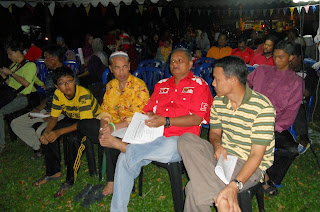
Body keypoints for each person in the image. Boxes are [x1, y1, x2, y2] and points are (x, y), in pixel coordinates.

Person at [100, 48, 213, 211]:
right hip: (153, 135)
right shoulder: (161, 85)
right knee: (123, 160)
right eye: (172, 61)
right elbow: (147, 110)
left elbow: (197, 118)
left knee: (162, 147)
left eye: (180, 60)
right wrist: (149, 118)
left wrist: (166, 121)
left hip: (182, 138)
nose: (175, 64)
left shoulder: (199, 85)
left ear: (190, 64)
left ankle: (127, 148)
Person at [178, 56, 275, 211]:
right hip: (224, 156)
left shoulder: (262, 107)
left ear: (233, 80)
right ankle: (220, 199)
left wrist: (234, 186)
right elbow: (215, 133)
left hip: (249, 163)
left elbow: (256, 155)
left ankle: (220, 199)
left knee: (193, 189)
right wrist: (217, 145)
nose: (213, 83)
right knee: (186, 139)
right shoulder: (218, 101)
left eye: (216, 79)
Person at [77, 51, 149, 196]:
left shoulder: (139, 86)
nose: (121, 72)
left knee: (112, 138)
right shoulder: (111, 86)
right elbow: (106, 111)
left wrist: (113, 127)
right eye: (117, 68)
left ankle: (112, 181)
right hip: (113, 126)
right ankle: (106, 139)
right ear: (111, 69)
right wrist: (104, 126)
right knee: (84, 124)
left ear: (129, 66)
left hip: (133, 126)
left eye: (124, 67)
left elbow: (139, 116)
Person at [33, 66, 101, 198]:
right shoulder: (58, 95)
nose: (67, 86)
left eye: (69, 81)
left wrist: (59, 132)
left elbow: (83, 123)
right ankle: (53, 172)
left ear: (74, 80)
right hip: (73, 119)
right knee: (48, 134)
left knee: (73, 139)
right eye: (62, 83)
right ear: (56, 86)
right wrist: (48, 131)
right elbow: (54, 117)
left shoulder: (83, 94)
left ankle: (70, 180)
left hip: (90, 122)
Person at [247, 40, 304, 196]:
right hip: (250, 119)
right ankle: (257, 177)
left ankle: (268, 177)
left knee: (292, 149)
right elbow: (243, 84)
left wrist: (272, 129)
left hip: (273, 125)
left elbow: (291, 112)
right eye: (275, 56)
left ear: (291, 57)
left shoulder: (296, 82)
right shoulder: (261, 71)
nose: (277, 60)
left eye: (281, 57)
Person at [11, 45, 65, 159]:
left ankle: (48, 154)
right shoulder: (50, 75)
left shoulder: (66, 75)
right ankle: (39, 147)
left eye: (46, 58)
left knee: (41, 131)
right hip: (47, 111)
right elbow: (49, 96)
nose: (44, 61)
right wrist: (39, 108)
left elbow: (71, 100)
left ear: (54, 59)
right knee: (16, 123)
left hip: (61, 112)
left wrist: (52, 115)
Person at [0, 41, 37, 153]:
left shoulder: (30, 65)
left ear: (17, 52)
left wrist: (11, 73)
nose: (9, 56)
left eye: (10, 54)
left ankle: (1, 144)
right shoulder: (14, 66)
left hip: (23, 98)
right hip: (11, 96)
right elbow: (11, 84)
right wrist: (3, 75)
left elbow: (26, 84)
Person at [290, 44, 318, 154]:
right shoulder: (285, 69)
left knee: (298, 109)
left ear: (300, 57)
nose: (290, 61)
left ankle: (304, 139)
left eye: (293, 58)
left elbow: (307, 92)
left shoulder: (309, 72)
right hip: (283, 99)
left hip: (300, 102)